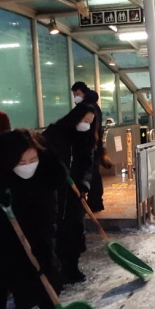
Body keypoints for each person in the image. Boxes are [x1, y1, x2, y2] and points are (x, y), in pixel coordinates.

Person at [0, 129, 67, 309]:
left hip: (35, 235)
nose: (28, 166)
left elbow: (48, 214)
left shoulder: (45, 173)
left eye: (32, 160)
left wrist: (43, 245)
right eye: (21, 162)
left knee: (46, 280)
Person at [41, 103, 98, 284]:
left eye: (90, 121)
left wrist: (84, 184)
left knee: (74, 229)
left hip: (75, 192)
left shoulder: (87, 137)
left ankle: (72, 268)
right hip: (55, 190)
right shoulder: (54, 133)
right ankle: (54, 271)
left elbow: (88, 164)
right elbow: (43, 157)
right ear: (76, 116)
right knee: (54, 230)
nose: (87, 124)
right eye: (85, 120)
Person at [71, 82, 112, 213]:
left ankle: (94, 201)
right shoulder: (93, 105)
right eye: (74, 95)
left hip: (88, 145)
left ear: (83, 93)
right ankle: (95, 201)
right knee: (93, 173)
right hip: (93, 144)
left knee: (91, 174)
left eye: (77, 94)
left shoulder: (87, 107)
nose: (75, 97)